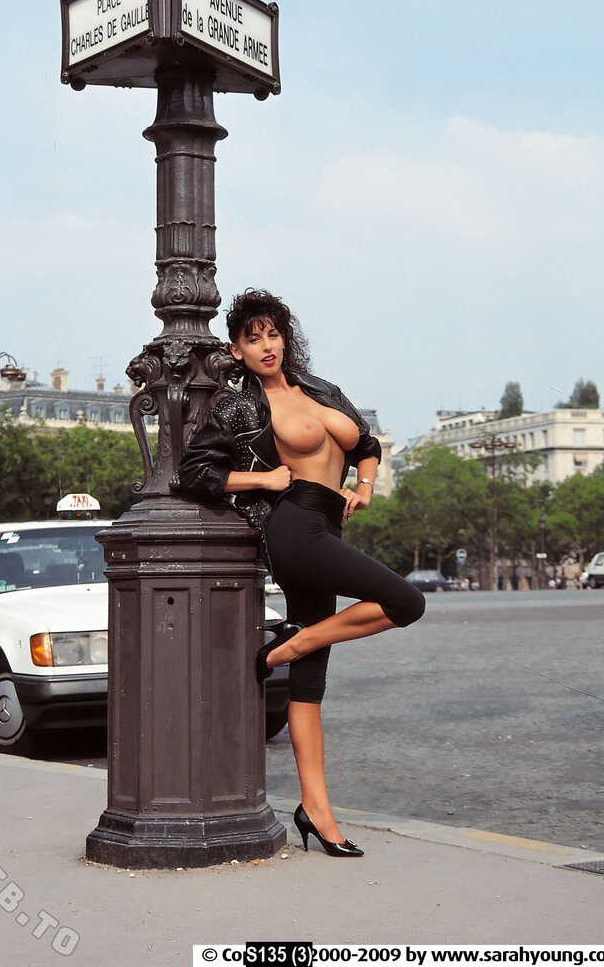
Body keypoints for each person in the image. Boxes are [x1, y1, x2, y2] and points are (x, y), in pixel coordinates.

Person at [178, 289, 425, 858]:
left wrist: (364, 486)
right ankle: (285, 647)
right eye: (253, 339)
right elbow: (194, 473)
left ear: (286, 339)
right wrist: (263, 481)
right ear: (237, 351)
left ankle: (317, 811)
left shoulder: (322, 390)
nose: (266, 346)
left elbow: (366, 444)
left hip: (328, 526)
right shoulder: (239, 407)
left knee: (310, 688)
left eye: (273, 334)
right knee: (406, 602)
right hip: (294, 529)